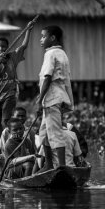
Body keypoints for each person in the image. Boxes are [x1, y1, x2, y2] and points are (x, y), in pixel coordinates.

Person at [36, 25, 74, 173]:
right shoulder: (62, 53)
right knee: (44, 133)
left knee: (55, 133)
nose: (41, 39)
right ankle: (49, 164)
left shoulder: (50, 54)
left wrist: (39, 101)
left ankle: (62, 167)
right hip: (57, 97)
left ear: (52, 38)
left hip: (51, 99)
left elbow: (47, 78)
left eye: (43, 36)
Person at [0, 21, 35, 137]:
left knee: (6, 119)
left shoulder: (13, 57)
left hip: (10, 93)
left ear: (7, 48)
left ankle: (10, 139)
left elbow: (24, 46)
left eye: (4, 47)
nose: (1, 49)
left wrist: (28, 30)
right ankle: (1, 141)